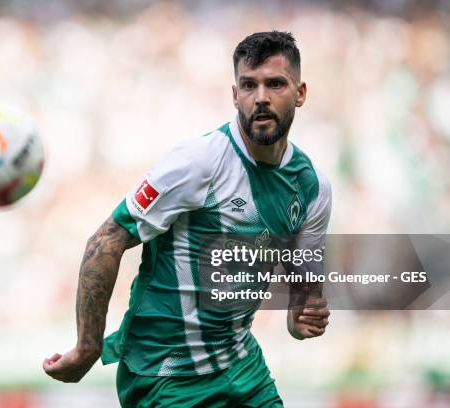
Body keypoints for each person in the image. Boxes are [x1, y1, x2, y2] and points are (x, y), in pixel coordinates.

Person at [44, 31, 332, 407]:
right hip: (166, 375)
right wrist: (87, 347)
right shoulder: (199, 162)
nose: (260, 97)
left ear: (300, 92)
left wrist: (302, 318)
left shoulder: (311, 187)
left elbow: (301, 301)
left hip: (241, 366)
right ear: (235, 95)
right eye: (249, 85)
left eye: (275, 83)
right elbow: (107, 239)